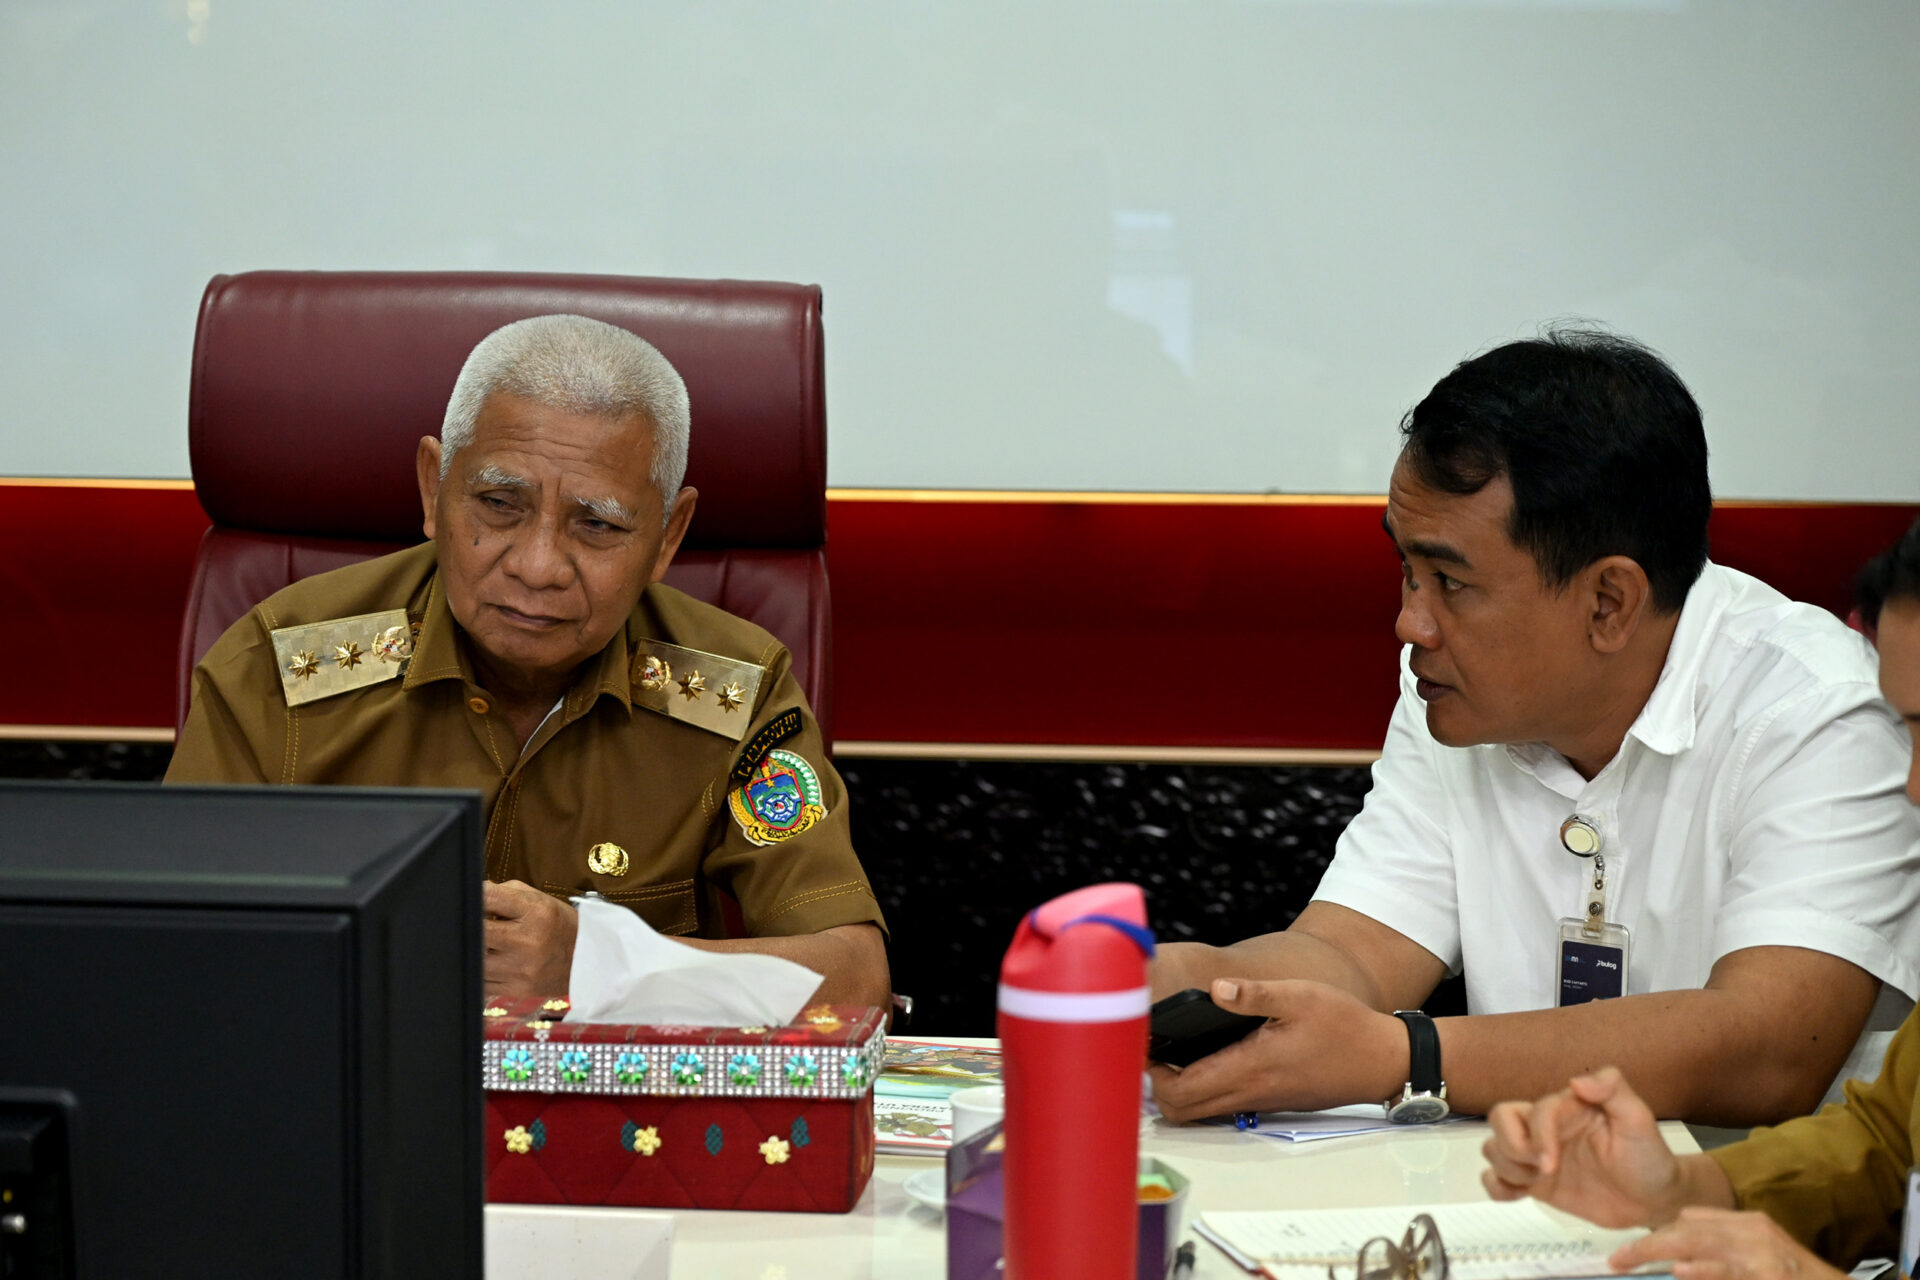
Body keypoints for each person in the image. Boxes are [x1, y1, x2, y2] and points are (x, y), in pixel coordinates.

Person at [1149, 330, 1920, 1128]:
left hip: (1755, 1205)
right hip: (1530, 1192)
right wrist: (1186, 983)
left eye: (1450, 581)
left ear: (1608, 603)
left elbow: (1770, 1049)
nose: (1412, 623)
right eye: (1408, 572)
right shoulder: (1453, 695)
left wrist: (1409, 1056)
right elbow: (1354, 955)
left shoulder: (1822, 711)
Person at [167, 314, 890, 1009]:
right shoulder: (281, 669)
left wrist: (600, 964)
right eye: (497, 503)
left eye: (597, 524)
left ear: (668, 537)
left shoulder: (732, 694)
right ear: (433, 487)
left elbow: (855, 978)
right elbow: (165, 945)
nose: (538, 567)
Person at [1480, 516, 1920, 1273]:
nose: (1913, 788)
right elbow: (1882, 1148)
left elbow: (1772, 1051)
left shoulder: (1804, 700)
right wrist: (1686, 1187)